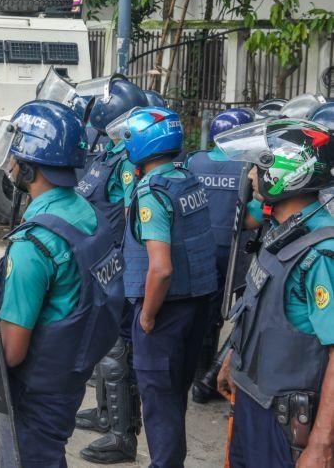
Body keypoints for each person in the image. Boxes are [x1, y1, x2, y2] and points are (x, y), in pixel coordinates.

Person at [0, 100, 125, 468]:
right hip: (71, 371)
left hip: (37, 386)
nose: (12, 164)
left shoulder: (33, 245)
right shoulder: (87, 213)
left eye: (16, 155)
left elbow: (13, 351)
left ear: (30, 166)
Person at [216, 118, 334, 468]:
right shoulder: (281, 231)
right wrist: (233, 360)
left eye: (258, 166)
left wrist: (322, 445)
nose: (251, 176)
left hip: (287, 422)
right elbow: (261, 307)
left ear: (288, 172)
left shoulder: (320, 255)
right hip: (255, 399)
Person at [118, 106, 217, 468]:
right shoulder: (186, 179)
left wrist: (146, 316)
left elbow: (160, 269)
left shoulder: (153, 193)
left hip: (165, 310)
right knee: (174, 396)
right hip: (196, 305)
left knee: (159, 403)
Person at [72, 78, 147, 463]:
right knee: (103, 344)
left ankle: (122, 435)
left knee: (117, 351)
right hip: (99, 261)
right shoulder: (107, 154)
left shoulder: (128, 163)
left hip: (117, 265)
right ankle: (104, 413)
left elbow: (135, 219)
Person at [184, 107, 256, 404]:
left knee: (202, 310)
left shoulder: (194, 161)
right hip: (235, 252)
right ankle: (209, 379)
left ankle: (197, 375)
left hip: (198, 249)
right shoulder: (247, 168)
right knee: (235, 313)